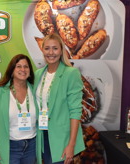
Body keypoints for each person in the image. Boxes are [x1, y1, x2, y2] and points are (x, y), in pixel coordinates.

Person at [34, 33, 85, 164]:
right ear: (42, 50)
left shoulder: (71, 73)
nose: (51, 52)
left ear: (61, 50)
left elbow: (75, 111)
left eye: (55, 48)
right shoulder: (38, 74)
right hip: (42, 134)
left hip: (62, 137)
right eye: (47, 48)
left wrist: (71, 145)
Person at [0, 54, 38, 164]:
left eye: (26, 66)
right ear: (12, 70)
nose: (23, 69)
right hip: (9, 147)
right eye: (18, 66)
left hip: (32, 147)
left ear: (30, 70)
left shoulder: (35, 90)